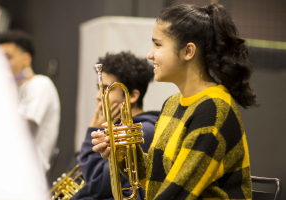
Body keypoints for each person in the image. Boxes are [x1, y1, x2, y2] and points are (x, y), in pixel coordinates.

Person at [91, 3, 259, 200]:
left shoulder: (214, 108)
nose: (150, 54)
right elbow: (153, 179)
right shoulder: (172, 103)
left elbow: (178, 192)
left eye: (158, 44)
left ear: (188, 51)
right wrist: (120, 150)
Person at [72, 51, 159, 200]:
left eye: (106, 89)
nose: (98, 95)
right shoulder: (116, 127)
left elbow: (97, 184)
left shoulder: (143, 131)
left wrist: (93, 129)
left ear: (132, 96)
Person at [0, 30, 61, 173]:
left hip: (28, 177)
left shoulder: (40, 85)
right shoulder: (15, 89)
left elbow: (18, 133)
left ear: (26, 59)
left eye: (8, 57)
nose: (2, 64)